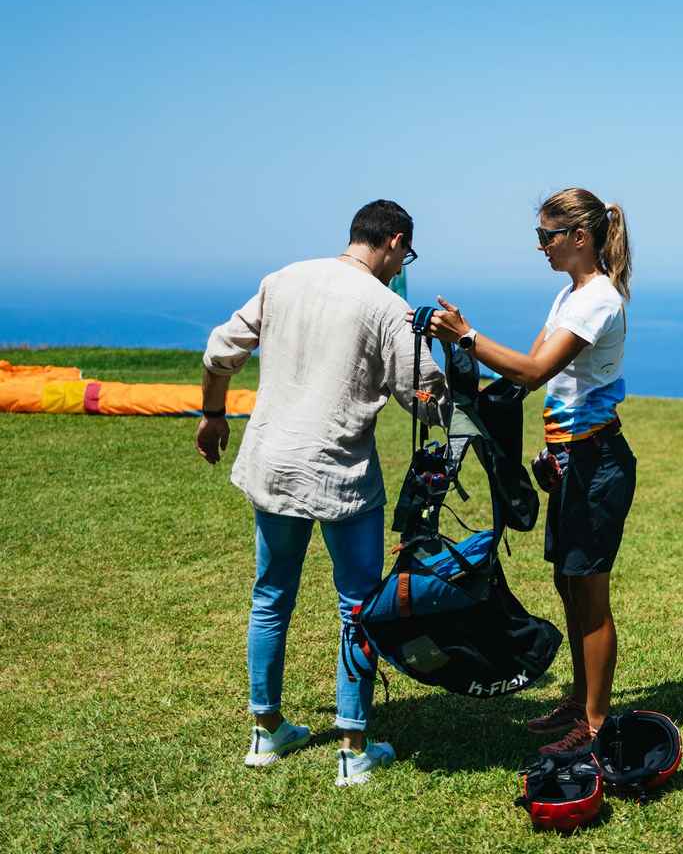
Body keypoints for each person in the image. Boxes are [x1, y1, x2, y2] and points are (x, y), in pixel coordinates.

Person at [197, 199, 447, 787]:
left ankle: (266, 731)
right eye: (405, 255)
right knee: (357, 605)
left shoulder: (284, 279)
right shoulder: (386, 306)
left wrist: (213, 415)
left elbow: (219, 351)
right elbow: (423, 398)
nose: (401, 266)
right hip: (341, 472)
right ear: (394, 241)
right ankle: (353, 749)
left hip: (273, 463)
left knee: (270, 594)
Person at [417, 186, 634, 755]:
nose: (540, 246)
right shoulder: (569, 295)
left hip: (597, 463)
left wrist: (467, 337)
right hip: (570, 461)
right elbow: (521, 375)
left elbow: (535, 370)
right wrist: (461, 375)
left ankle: (594, 725)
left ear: (579, 237)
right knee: (569, 584)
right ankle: (580, 701)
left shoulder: (598, 300)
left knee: (590, 594)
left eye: (547, 236)